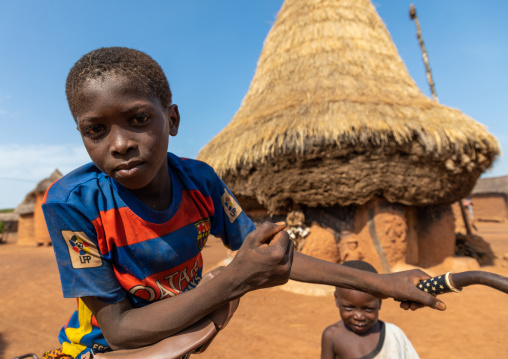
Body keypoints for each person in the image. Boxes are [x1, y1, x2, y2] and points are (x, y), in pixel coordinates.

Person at [42, 47, 444, 359]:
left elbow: (270, 255)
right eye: (95, 130)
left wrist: (383, 283)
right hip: (102, 351)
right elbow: (119, 328)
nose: (120, 143)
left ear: (173, 120)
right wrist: (232, 281)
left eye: (139, 119)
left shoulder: (199, 182)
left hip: (177, 340)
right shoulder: (74, 204)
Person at [321, 260, 419, 359]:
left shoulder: (394, 335)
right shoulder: (332, 336)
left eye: (368, 309)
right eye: (349, 308)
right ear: (337, 300)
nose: (359, 316)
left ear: (379, 303)